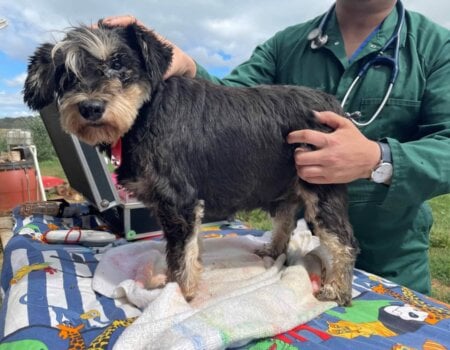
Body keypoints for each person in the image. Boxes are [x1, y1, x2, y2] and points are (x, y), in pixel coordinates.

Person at [101, 0, 450, 295]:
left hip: (391, 268)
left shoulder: (437, 48)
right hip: (290, 263)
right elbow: (225, 108)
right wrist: (188, 66)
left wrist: (378, 159)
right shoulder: (288, 43)